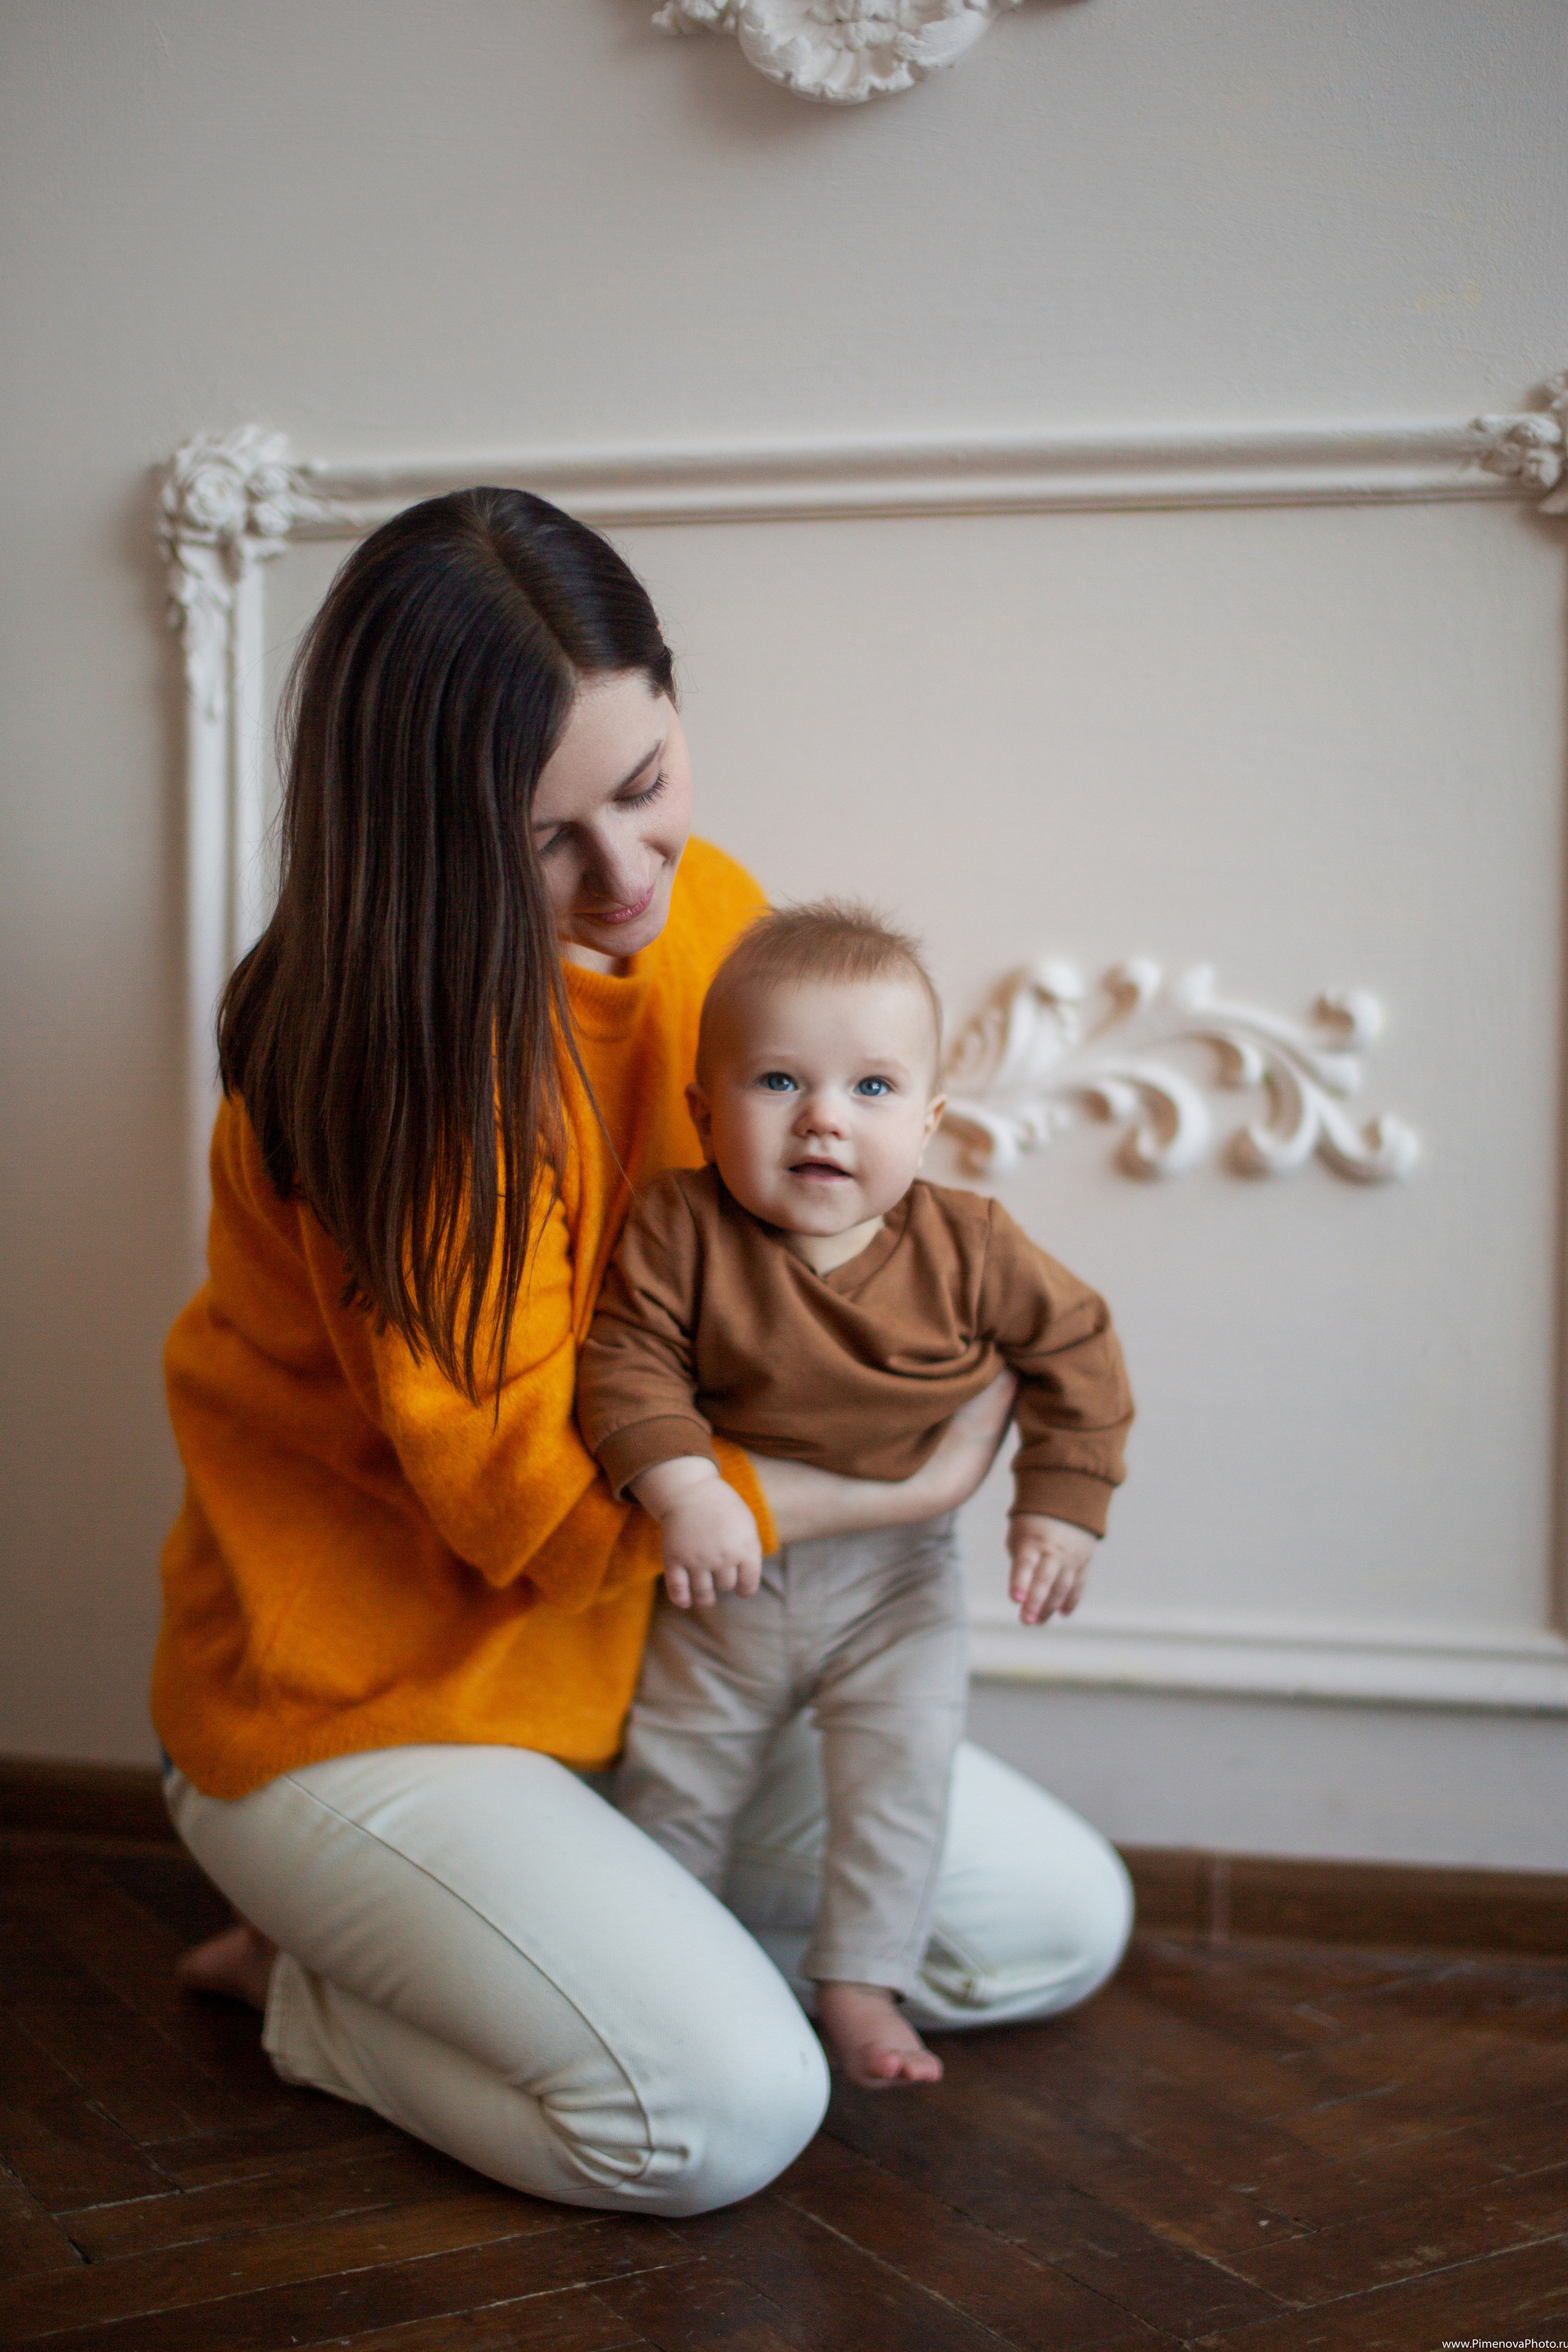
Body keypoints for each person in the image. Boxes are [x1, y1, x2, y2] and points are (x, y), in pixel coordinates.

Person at [156, 486, 1136, 2220]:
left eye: (645, 786)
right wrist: (896, 1486)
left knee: (1055, 1928)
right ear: (422, 833)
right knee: (719, 2119)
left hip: (663, 1668)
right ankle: (310, 1981)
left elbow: (796, 1262)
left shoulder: (718, 923)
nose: (627, 882)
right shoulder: (389, 1070)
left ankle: (569, 1951)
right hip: (376, 1708)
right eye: (545, 839)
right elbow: (525, 1509)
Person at [576, 901, 1134, 2090]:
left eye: (871, 1089)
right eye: (778, 1081)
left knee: (897, 1780)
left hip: (897, 1586)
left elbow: (1076, 1347)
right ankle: (670, 1971)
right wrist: (685, 1486)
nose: (824, 1116)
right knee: (676, 1784)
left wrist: (1059, 1501)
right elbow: (622, 1364)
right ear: (702, 1111)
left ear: (928, 1121)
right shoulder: (678, 1225)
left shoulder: (969, 1247)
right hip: (723, 1577)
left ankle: (858, 1981)